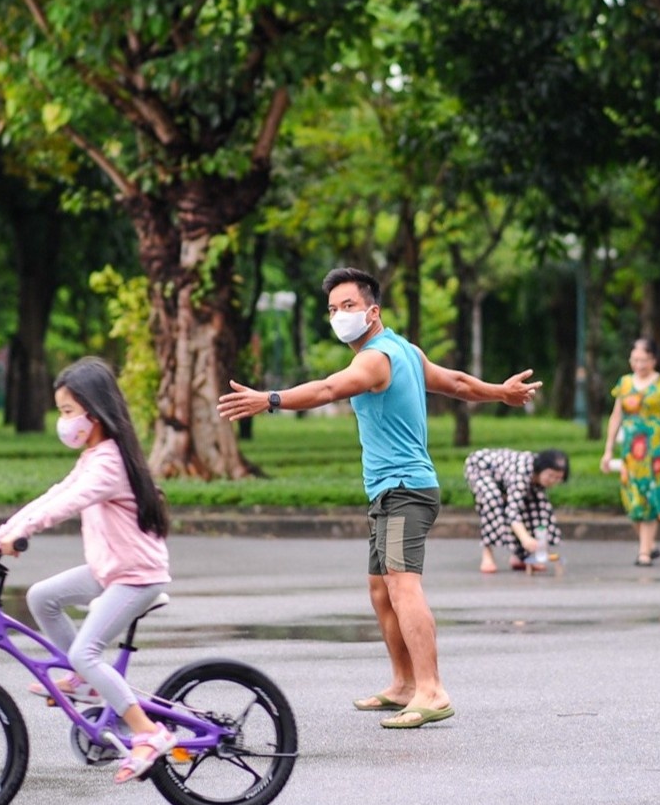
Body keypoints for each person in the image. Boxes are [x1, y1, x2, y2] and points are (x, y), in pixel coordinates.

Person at [216, 267, 540, 730]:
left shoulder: (376, 359)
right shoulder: (406, 350)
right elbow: (457, 384)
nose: (339, 315)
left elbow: (327, 389)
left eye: (348, 306)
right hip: (391, 491)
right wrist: (501, 393)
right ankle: (404, 684)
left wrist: (270, 399)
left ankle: (432, 690)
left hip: (404, 489)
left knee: (403, 586)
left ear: (373, 311)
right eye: (332, 309)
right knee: (381, 589)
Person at [0, 357, 176, 784]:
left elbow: (66, 505)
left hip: (136, 577)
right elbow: (53, 495)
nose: (63, 421)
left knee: (85, 652)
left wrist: (21, 534)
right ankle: (85, 682)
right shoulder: (95, 456)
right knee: (41, 597)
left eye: (68, 411)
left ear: (94, 412)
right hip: (111, 570)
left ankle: (148, 733)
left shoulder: (109, 463)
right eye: (61, 411)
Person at [598, 338, 660, 567]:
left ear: (654, 360)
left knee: (650, 498)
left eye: (643, 360)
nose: (639, 365)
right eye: (634, 360)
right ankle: (649, 544)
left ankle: (644, 552)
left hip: (655, 449)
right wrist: (608, 450)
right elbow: (616, 417)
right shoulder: (624, 383)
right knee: (632, 500)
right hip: (631, 452)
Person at [463, 448, 570, 574]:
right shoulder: (521, 475)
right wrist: (525, 538)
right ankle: (487, 554)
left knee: (537, 506)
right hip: (481, 468)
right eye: (550, 476)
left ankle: (520, 556)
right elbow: (512, 511)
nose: (552, 481)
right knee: (492, 501)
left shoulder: (536, 475)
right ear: (540, 468)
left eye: (558, 478)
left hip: (505, 476)